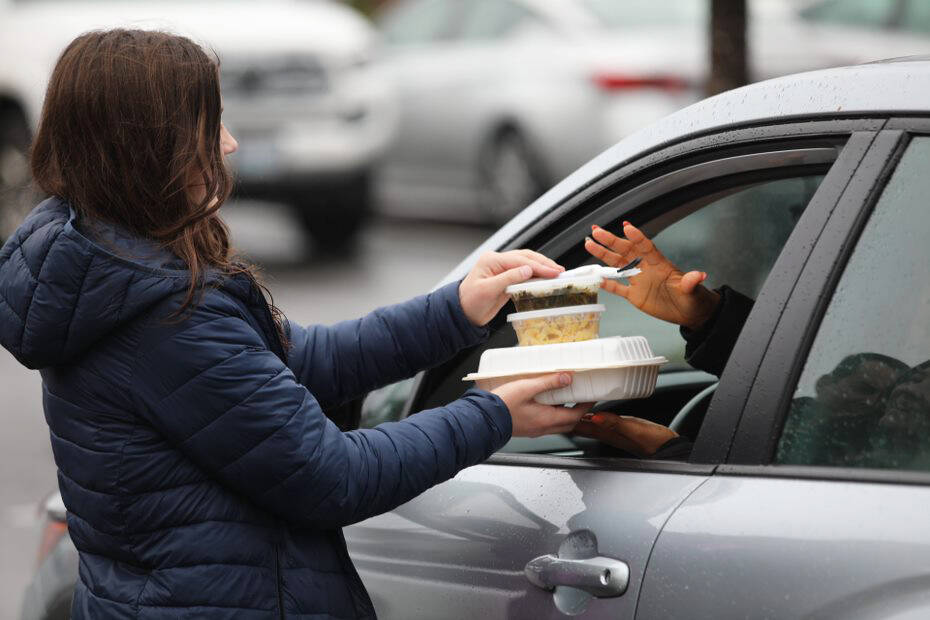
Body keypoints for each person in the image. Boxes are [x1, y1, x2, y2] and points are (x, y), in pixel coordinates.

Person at [0, 30, 590, 619]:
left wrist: (456, 309)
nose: (228, 145)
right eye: (209, 127)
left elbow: (293, 363)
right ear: (147, 147)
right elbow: (333, 476)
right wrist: (494, 414)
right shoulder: (164, 316)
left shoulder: (99, 267)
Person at [576, 221, 930, 468]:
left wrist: (673, 454)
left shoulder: (913, 400)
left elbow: (825, 506)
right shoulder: (903, 393)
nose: (912, 304)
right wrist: (710, 317)